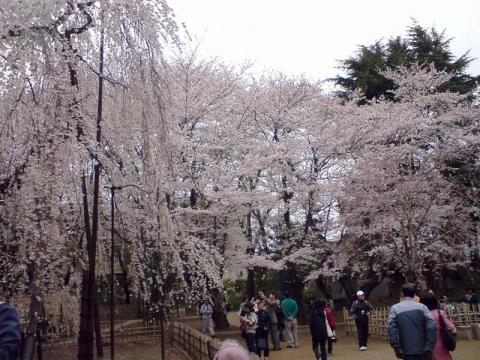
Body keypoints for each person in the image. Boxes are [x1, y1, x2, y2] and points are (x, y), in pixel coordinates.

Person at [388, 283, 436, 360]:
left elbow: (391, 328)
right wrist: (429, 345)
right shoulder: (423, 307)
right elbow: (432, 326)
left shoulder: (395, 309)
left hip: (406, 349)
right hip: (423, 348)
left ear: (402, 293)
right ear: (414, 294)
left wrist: (396, 347)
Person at [421, 293, 456, 360]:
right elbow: (452, 328)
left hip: (427, 346)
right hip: (441, 345)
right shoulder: (440, 313)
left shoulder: (423, 316)